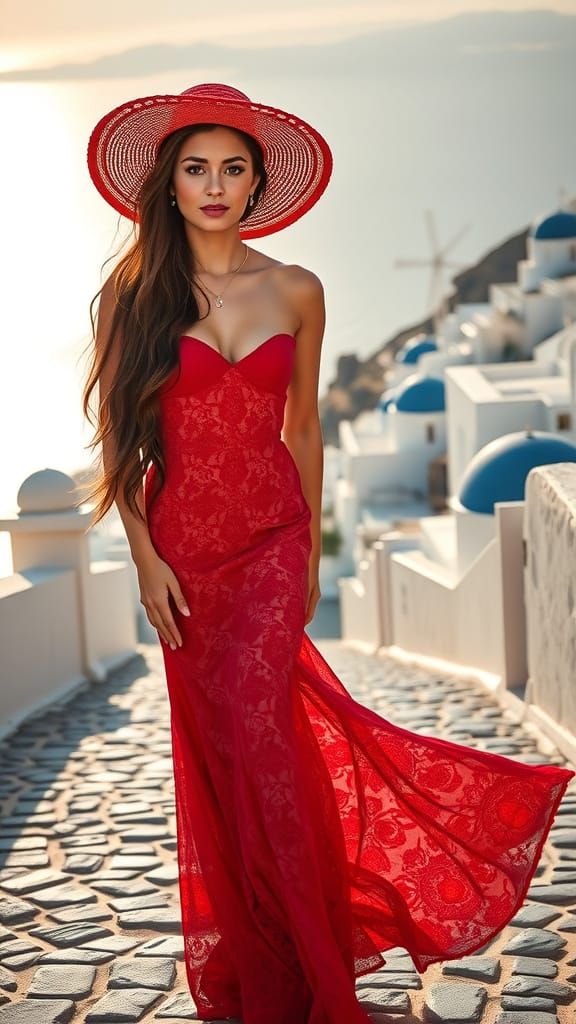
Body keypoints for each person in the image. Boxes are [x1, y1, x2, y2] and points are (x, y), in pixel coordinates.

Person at [82, 82, 575, 1024]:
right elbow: (118, 447)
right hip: (185, 559)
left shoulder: (297, 289)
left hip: (270, 544)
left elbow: (303, 425)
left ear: (258, 182)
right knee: (229, 760)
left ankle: (320, 969)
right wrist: (145, 558)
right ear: (170, 183)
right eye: (197, 169)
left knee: (265, 738)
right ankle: (269, 946)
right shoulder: (133, 296)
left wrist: (304, 556)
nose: (215, 186)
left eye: (233, 168)